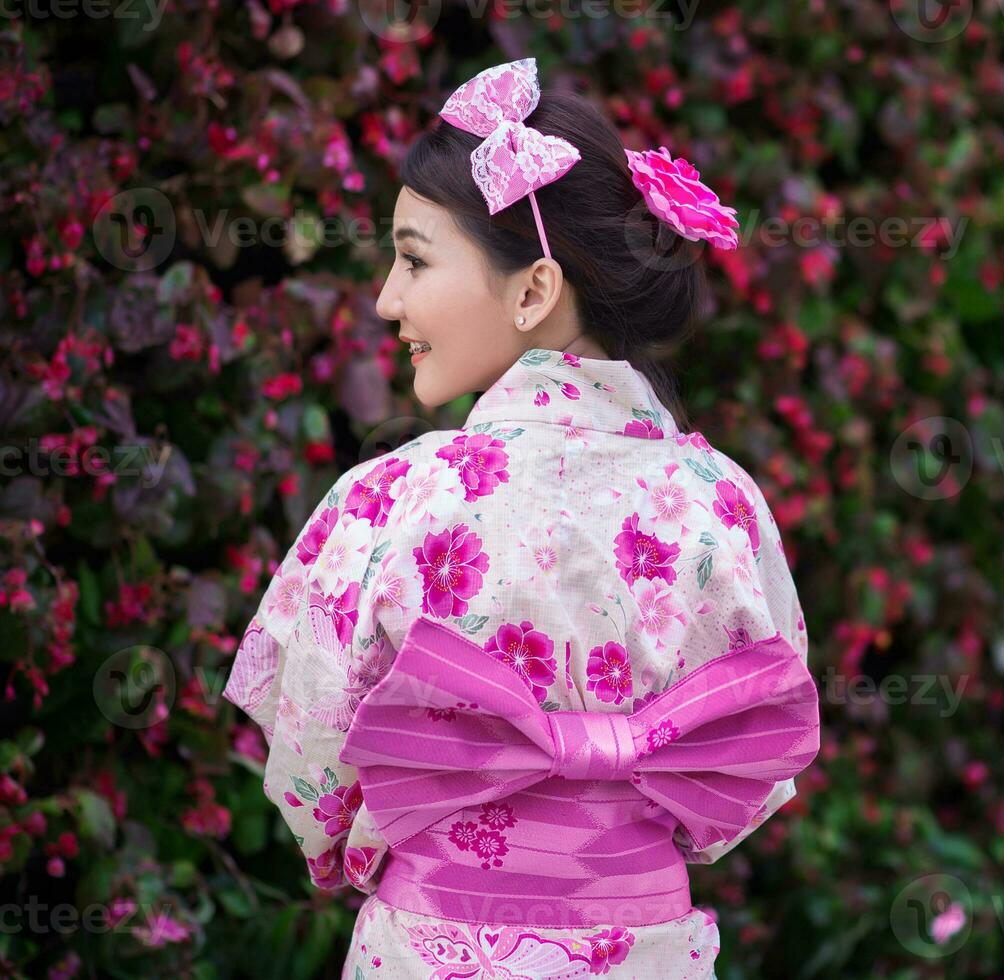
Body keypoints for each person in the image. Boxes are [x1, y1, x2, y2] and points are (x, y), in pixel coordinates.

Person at [222, 58, 820, 979]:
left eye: (414, 258)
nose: (387, 299)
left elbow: (311, 760)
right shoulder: (724, 506)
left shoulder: (396, 499)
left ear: (533, 291)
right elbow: (755, 767)